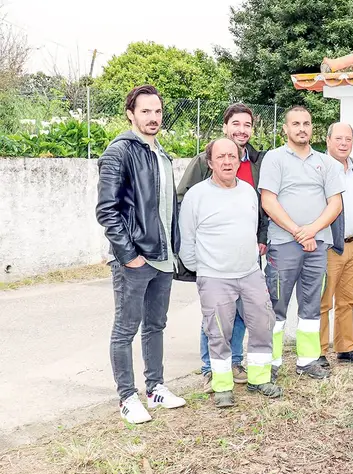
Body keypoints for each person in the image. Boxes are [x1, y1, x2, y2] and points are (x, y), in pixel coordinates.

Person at [95, 84, 185, 424]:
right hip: (135, 260)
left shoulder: (161, 153)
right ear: (130, 113)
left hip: (163, 259)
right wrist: (128, 255)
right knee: (125, 328)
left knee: (156, 326)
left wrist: (172, 251)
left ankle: (156, 388)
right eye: (145, 111)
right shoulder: (120, 151)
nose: (153, 117)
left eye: (158, 111)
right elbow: (107, 210)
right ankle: (127, 397)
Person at [178, 138, 283, 407]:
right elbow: (186, 239)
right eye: (221, 157)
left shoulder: (248, 191)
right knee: (218, 332)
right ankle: (222, 385)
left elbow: (251, 227)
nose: (227, 161)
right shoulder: (196, 196)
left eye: (232, 157)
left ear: (239, 161)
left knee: (262, 323)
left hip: (250, 274)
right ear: (210, 162)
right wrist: (202, 269)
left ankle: (260, 379)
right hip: (215, 277)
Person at [258, 106, 344, 380]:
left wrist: (312, 231)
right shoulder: (274, 159)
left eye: (306, 123)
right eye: (295, 123)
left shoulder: (325, 162)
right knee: (276, 305)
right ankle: (270, 363)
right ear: (285, 128)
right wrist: (297, 231)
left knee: (311, 304)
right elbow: (268, 201)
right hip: (284, 244)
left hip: (317, 245)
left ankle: (307, 362)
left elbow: (335, 204)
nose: (302, 128)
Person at [319, 123, 353, 367]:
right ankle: (317, 352)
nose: (343, 143)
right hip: (330, 245)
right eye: (338, 138)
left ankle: (345, 347)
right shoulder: (319, 168)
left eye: (347, 139)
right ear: (328, 140)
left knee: (348, 300)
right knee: (323, 302)